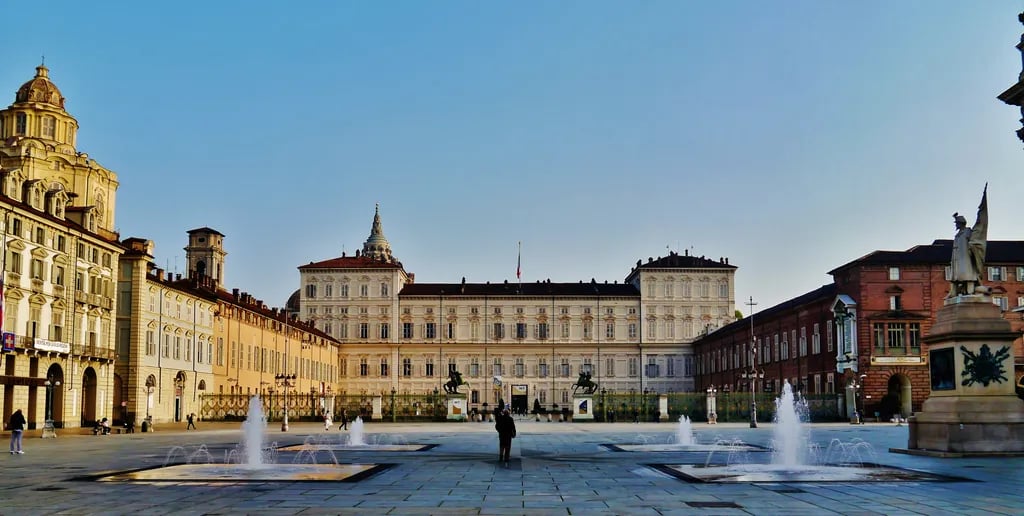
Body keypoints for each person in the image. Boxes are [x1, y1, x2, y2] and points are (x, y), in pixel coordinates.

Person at [948, 186, 988, 298]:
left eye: (956, 223)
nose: (955, 225)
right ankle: (954, 292)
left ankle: (970, 292)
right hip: (957, 258)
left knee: (968, 275)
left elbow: (976, 236)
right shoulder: (958, 234)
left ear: (961, 223)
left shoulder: (968, 232)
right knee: (956, 276)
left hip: (966, 257)